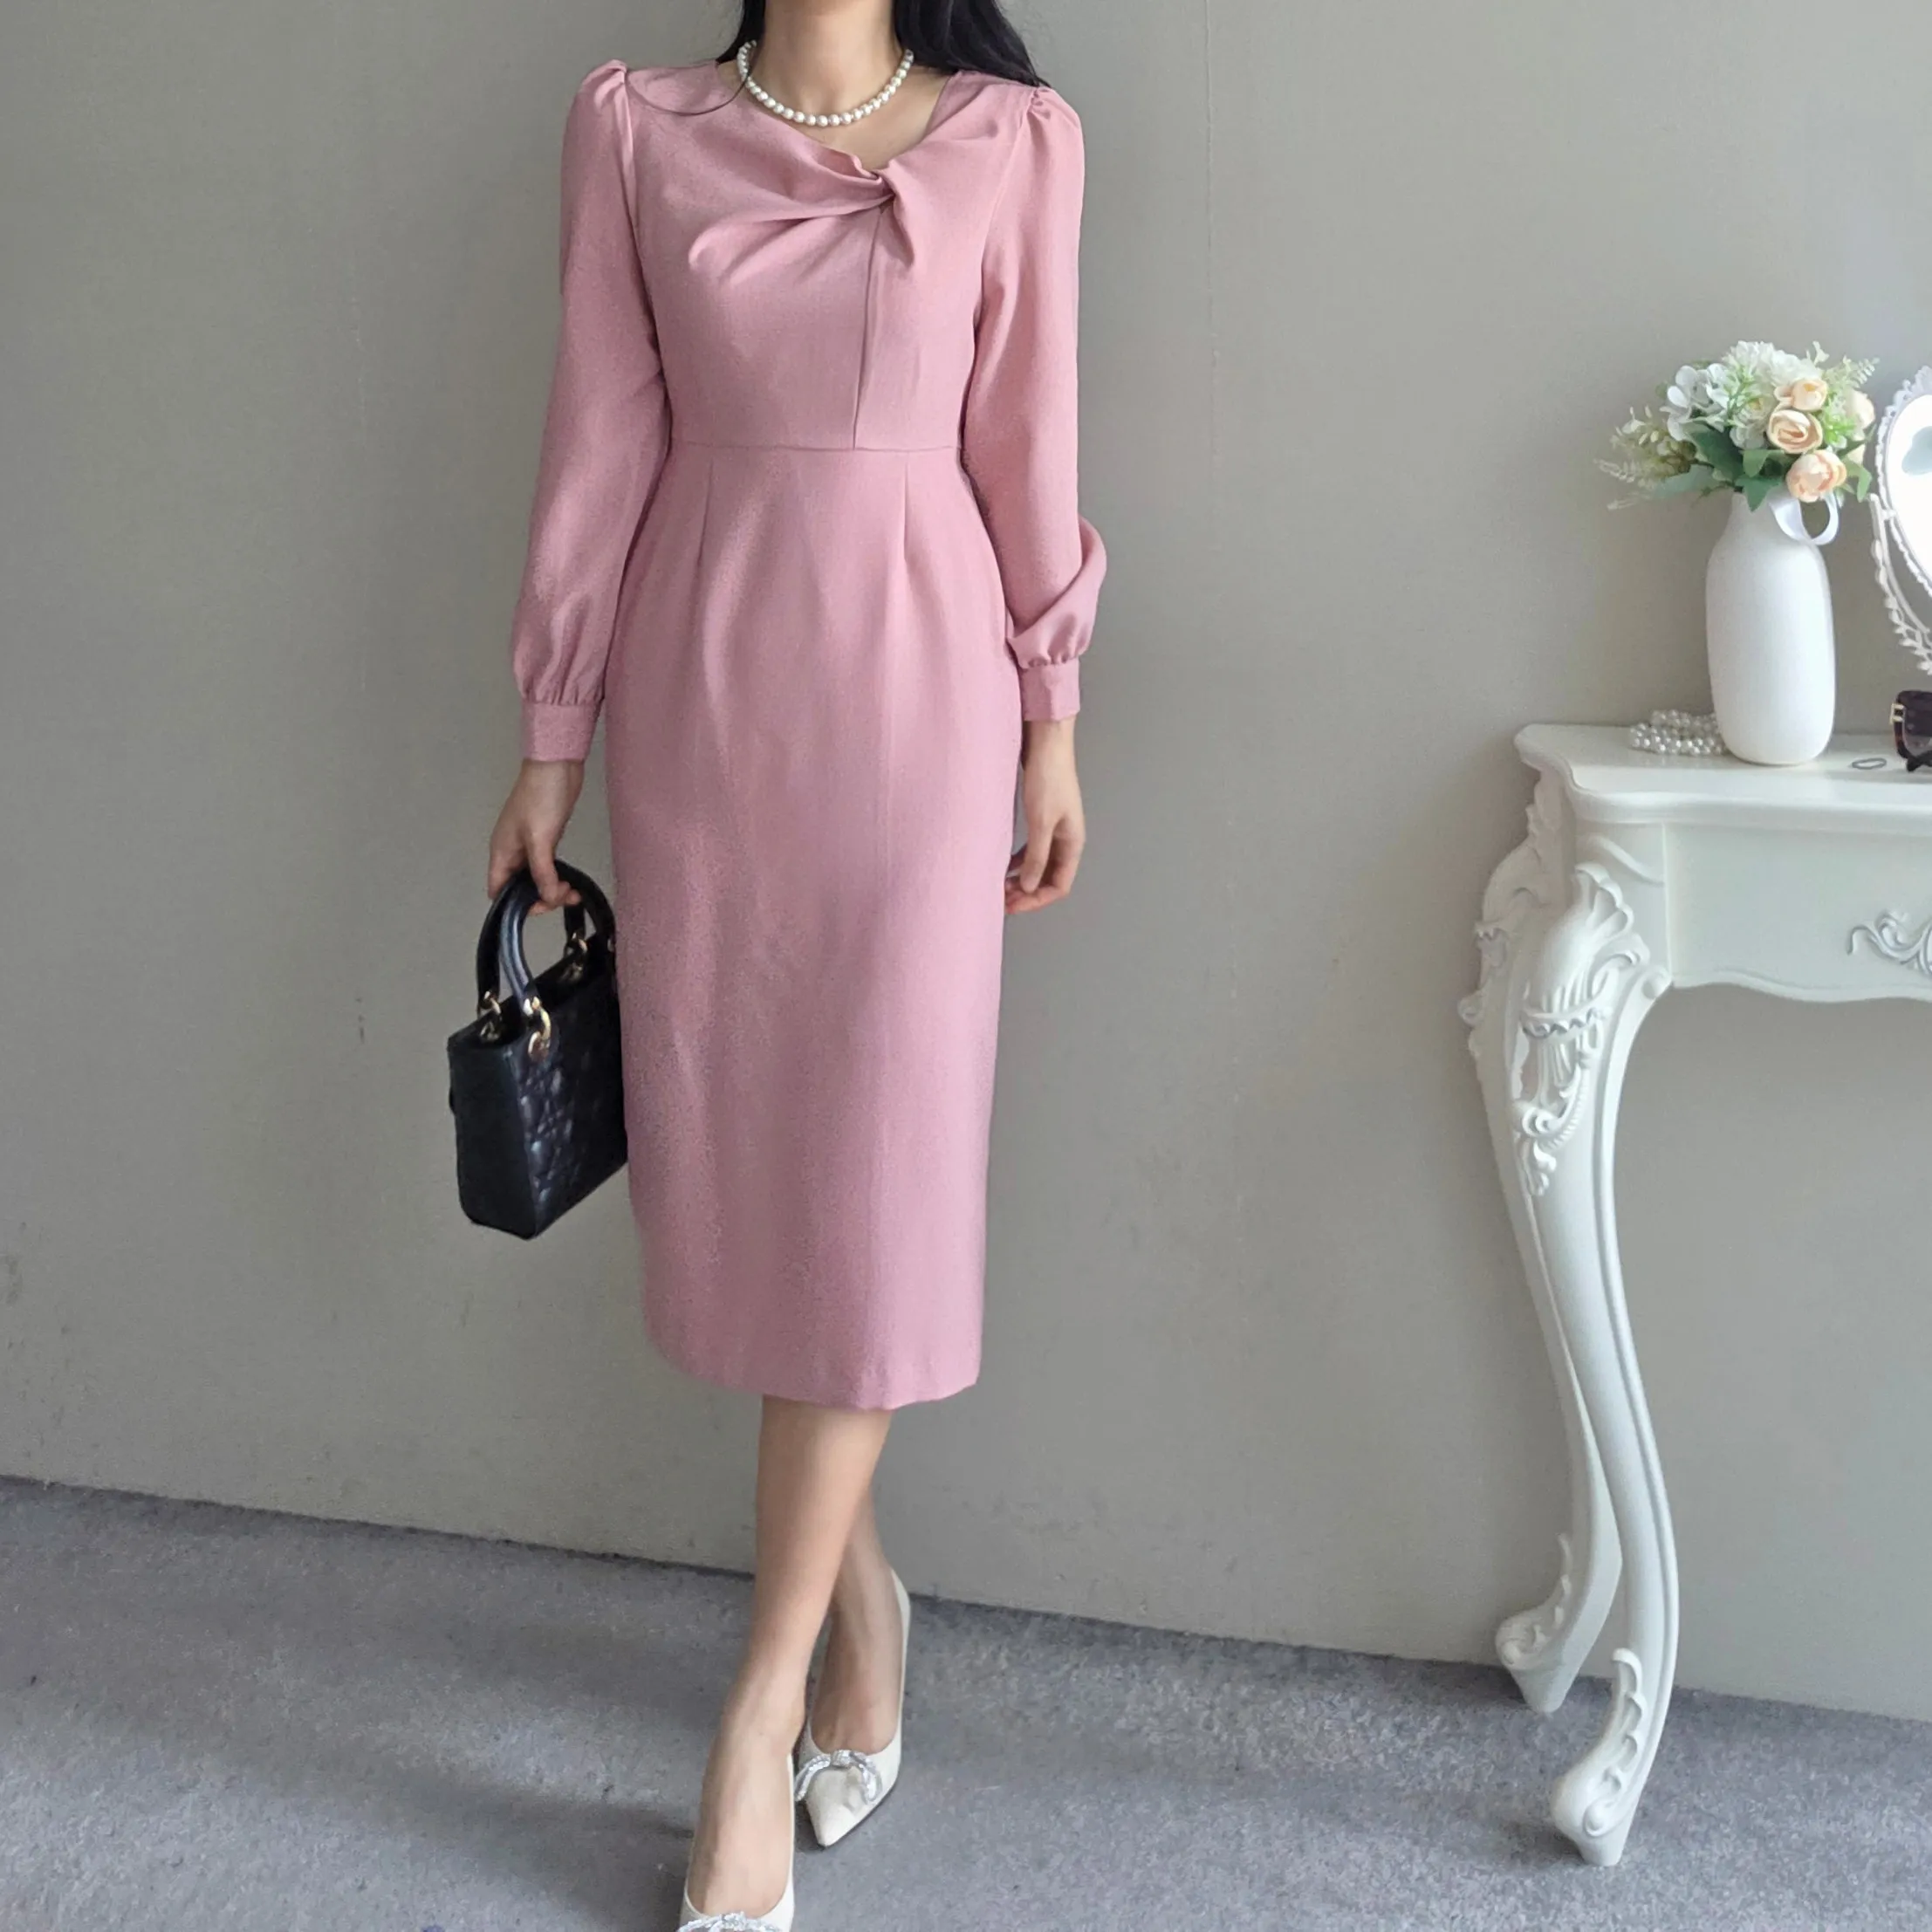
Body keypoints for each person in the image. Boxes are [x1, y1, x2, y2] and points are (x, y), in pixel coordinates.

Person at [484, 6, 1106, 1926]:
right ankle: (865, 1605)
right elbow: (599, 440)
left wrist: (1054, 720)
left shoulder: (1015, 140)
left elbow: (1027, 441)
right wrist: (550, 742)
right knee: (763, 1200)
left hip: (925, 696)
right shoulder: (634, 128)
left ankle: (754, 1716)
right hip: (710, 688)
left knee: (873, 1191)